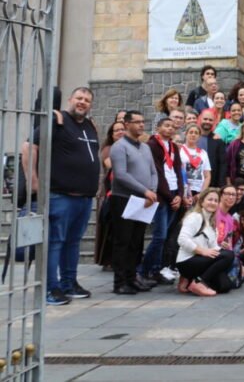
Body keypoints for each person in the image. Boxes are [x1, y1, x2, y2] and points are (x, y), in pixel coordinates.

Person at [31, 88, 102, 304]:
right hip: (60, 195)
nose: (82, 102)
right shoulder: (56, 119)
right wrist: (33, 180)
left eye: (87, 100)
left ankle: (68, 283)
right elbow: (30, 147)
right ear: (70, 100)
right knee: (55, 242)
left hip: (84, 197)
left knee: (73, 242)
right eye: (79, 98)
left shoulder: (90, 125)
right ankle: (50, 288)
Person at [109, 110, 159, 294]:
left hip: (144, 201)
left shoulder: (145, 147)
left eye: (142, 121)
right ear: (127, 124)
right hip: (124, 199)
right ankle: (120, 281)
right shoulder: (119, 146)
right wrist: (144, 190)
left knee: (136, 241)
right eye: (136, 122)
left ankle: (132, 277)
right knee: (123, 241)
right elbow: (121, 175)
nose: (141, 125)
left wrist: (152, 191)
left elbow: (154, 171)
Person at [143, 117, 187, 285]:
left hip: (174, 193)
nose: (170, 128)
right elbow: (157, 173)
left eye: (172, 126)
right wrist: (170, 196)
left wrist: (180, 195)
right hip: (162, 196)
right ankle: (146, 269)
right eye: (166, 126)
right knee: (159, 236)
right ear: (158, 127)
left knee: (165, 234)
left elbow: (178, 171)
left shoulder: (174, 146)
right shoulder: (153, 145)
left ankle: (156, 269)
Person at [175, 188, 235, 296]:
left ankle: (190, 280)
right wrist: (202, 251)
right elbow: (182, 239)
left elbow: (213, 247)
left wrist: (220, 248)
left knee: (225, 286)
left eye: (216, 200)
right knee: (229, 255)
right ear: (202, 201)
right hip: (187, 261)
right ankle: (198, 283)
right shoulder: (195, 217)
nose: (213, 203)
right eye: (210, 199)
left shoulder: (212, 222)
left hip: (201, 259)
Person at [94, 120, 125, 270]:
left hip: (125, 193)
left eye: (122, 129)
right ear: (111, 135)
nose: (120, 132)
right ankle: (108, 260)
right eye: (116, 130)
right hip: (111, 192)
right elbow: (113, 166)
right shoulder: (108, 149)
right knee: (109, 229)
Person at [198, 109, 227, 192]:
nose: (207, 122)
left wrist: (220, 186)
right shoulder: (192, 136)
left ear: (214, 122)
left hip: (212, 183)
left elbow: (222, 165)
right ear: (200, 119)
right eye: (205, 119)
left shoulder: (218, 141)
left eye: (210, 120)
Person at [180, 124, 212, 195]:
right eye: (191, 132)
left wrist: (201, 194)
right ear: (186, 134)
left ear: (199, 136)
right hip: (183, 189)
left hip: (199, 190)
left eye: (196, 133)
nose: (193, 135)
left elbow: (207, 176)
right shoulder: (179, 150)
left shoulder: (203, 153)